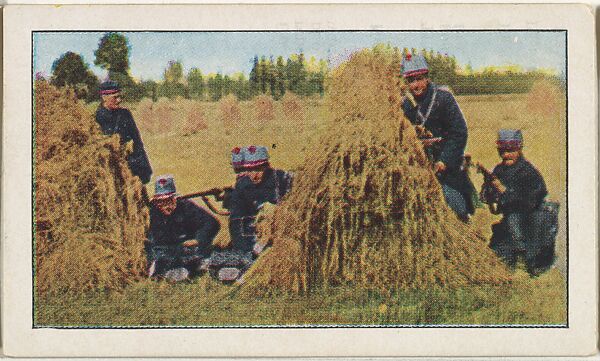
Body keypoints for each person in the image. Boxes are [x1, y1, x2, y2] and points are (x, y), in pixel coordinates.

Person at [400, 54, 475, 222]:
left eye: (419, 79)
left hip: (447, 167)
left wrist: (444, 161)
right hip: (418, 167)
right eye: (411, 80)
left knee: (456, 208)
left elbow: (459, 132)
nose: (416, 85)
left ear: (427, 78)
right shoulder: (404, 105)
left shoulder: (443, 98)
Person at [480, 130, 558, 276]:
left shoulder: (529, 172)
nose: (506, 155)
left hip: (531, 221)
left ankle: (527, 257)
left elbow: (529, 202)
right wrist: (489, 191)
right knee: (497, 259)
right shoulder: (499, 169)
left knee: (532, 263)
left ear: (519, 149)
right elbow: (491, 199)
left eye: (510, 150)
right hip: (510, 224)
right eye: (502, 151)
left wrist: (504, 191)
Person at [146, 175, 221, 281]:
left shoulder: (186, 207)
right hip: (167, 250)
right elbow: (153, 242)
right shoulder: (152, 214)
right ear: (156, 202)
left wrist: (199, 240)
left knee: (197, 259)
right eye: (161, 202)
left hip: (189, 248)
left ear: (175, 199)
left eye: (169, 201)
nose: (166, 206)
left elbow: (211, 223)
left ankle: (200, 265)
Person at [224, 145, 293, 255]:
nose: (254, 175)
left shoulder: (281, 178)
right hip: (252, 233)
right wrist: (246, 248)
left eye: (258, 169)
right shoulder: (242, 185)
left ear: (267, 167)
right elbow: (236, 220)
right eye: (249, 170)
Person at [95, 81, 152, 184]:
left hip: (131, 169)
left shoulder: (125, 114)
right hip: (110, 173)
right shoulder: (97, 118)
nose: (119, 100)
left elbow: (137, 142)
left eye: (119, 97)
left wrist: (144, 168)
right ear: (104, 97)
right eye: (115, 97)